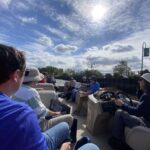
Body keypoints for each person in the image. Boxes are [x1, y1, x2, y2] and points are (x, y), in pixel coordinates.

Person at [0, 44, 100, 150]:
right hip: (39, 129)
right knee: (92, 146)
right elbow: (43, 113)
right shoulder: (21, 113)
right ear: (16, 75)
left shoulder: (12, 97)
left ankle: (70, 140)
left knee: (65, 124)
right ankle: (71, 143)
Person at [13, 67, 77, 143]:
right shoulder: (31, 92)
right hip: (38, 127)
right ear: (34, 79)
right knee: (70, 118)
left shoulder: (16, 89)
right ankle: (66, 142)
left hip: (22, 125)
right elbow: (43, 113)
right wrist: (56, 113)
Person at [109, 73, 150, 150]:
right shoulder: (146, 94)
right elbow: (142, 107)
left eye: (141, 80)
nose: (139, 82)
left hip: (146, 124)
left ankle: (115, 140)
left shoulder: (147, 96)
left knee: (119, 112)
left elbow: (137, 112)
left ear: (146, 83)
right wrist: (126, 103)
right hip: (147, 119)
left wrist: (122, 105)